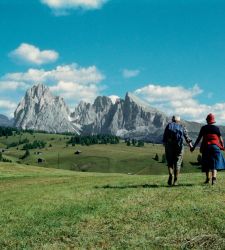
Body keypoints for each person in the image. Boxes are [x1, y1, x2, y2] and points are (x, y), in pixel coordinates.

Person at [190, 113, 225, 185]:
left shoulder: (204, 128)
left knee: (207, 163)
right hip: (215, 146)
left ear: (207, 120)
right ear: (213, 121)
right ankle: (214, 178)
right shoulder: (216, 128)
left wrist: (193, 147)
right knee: (214, 163)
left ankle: (208, 179)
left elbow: (198, 139)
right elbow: (221, 139)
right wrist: (222, 146)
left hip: (206, 147)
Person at [163, 115, 192, 186]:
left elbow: (164, 137)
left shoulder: (168, 126)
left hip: (169, 146)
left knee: (170, 162)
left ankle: (170, 175)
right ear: (179, 120)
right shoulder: (182, 126)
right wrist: (191, 146)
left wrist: (166, 145)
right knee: (177, 163)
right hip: (179, 147)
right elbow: (187, 137)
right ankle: (175, 180)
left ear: (173, 120)